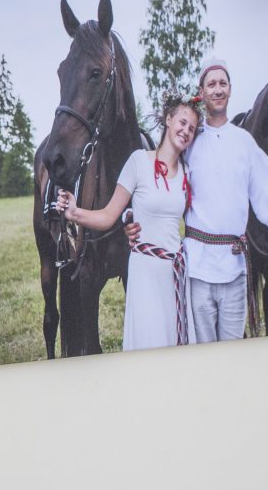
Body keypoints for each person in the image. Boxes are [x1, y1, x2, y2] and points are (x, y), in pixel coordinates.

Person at [128, 59, 268, 343]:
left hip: (235, 270)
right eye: (211, 84)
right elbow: (157, 185)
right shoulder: (189, 141)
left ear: (230, 90)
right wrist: (131, 221)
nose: (217, 89)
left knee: (232, 352)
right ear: (201, 92)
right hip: (197, 271)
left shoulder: (244, 143)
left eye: (223, 83)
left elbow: (265, 199)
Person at [57, 93, 203, 351]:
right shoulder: (138, 162)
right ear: (168, 120)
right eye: (182, 122)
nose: (186, 130)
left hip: (175, 273)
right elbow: (108, 215)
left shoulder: (187, 173)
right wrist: (74, 212)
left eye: (192, 128)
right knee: (149, 342)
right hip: (144, 271)